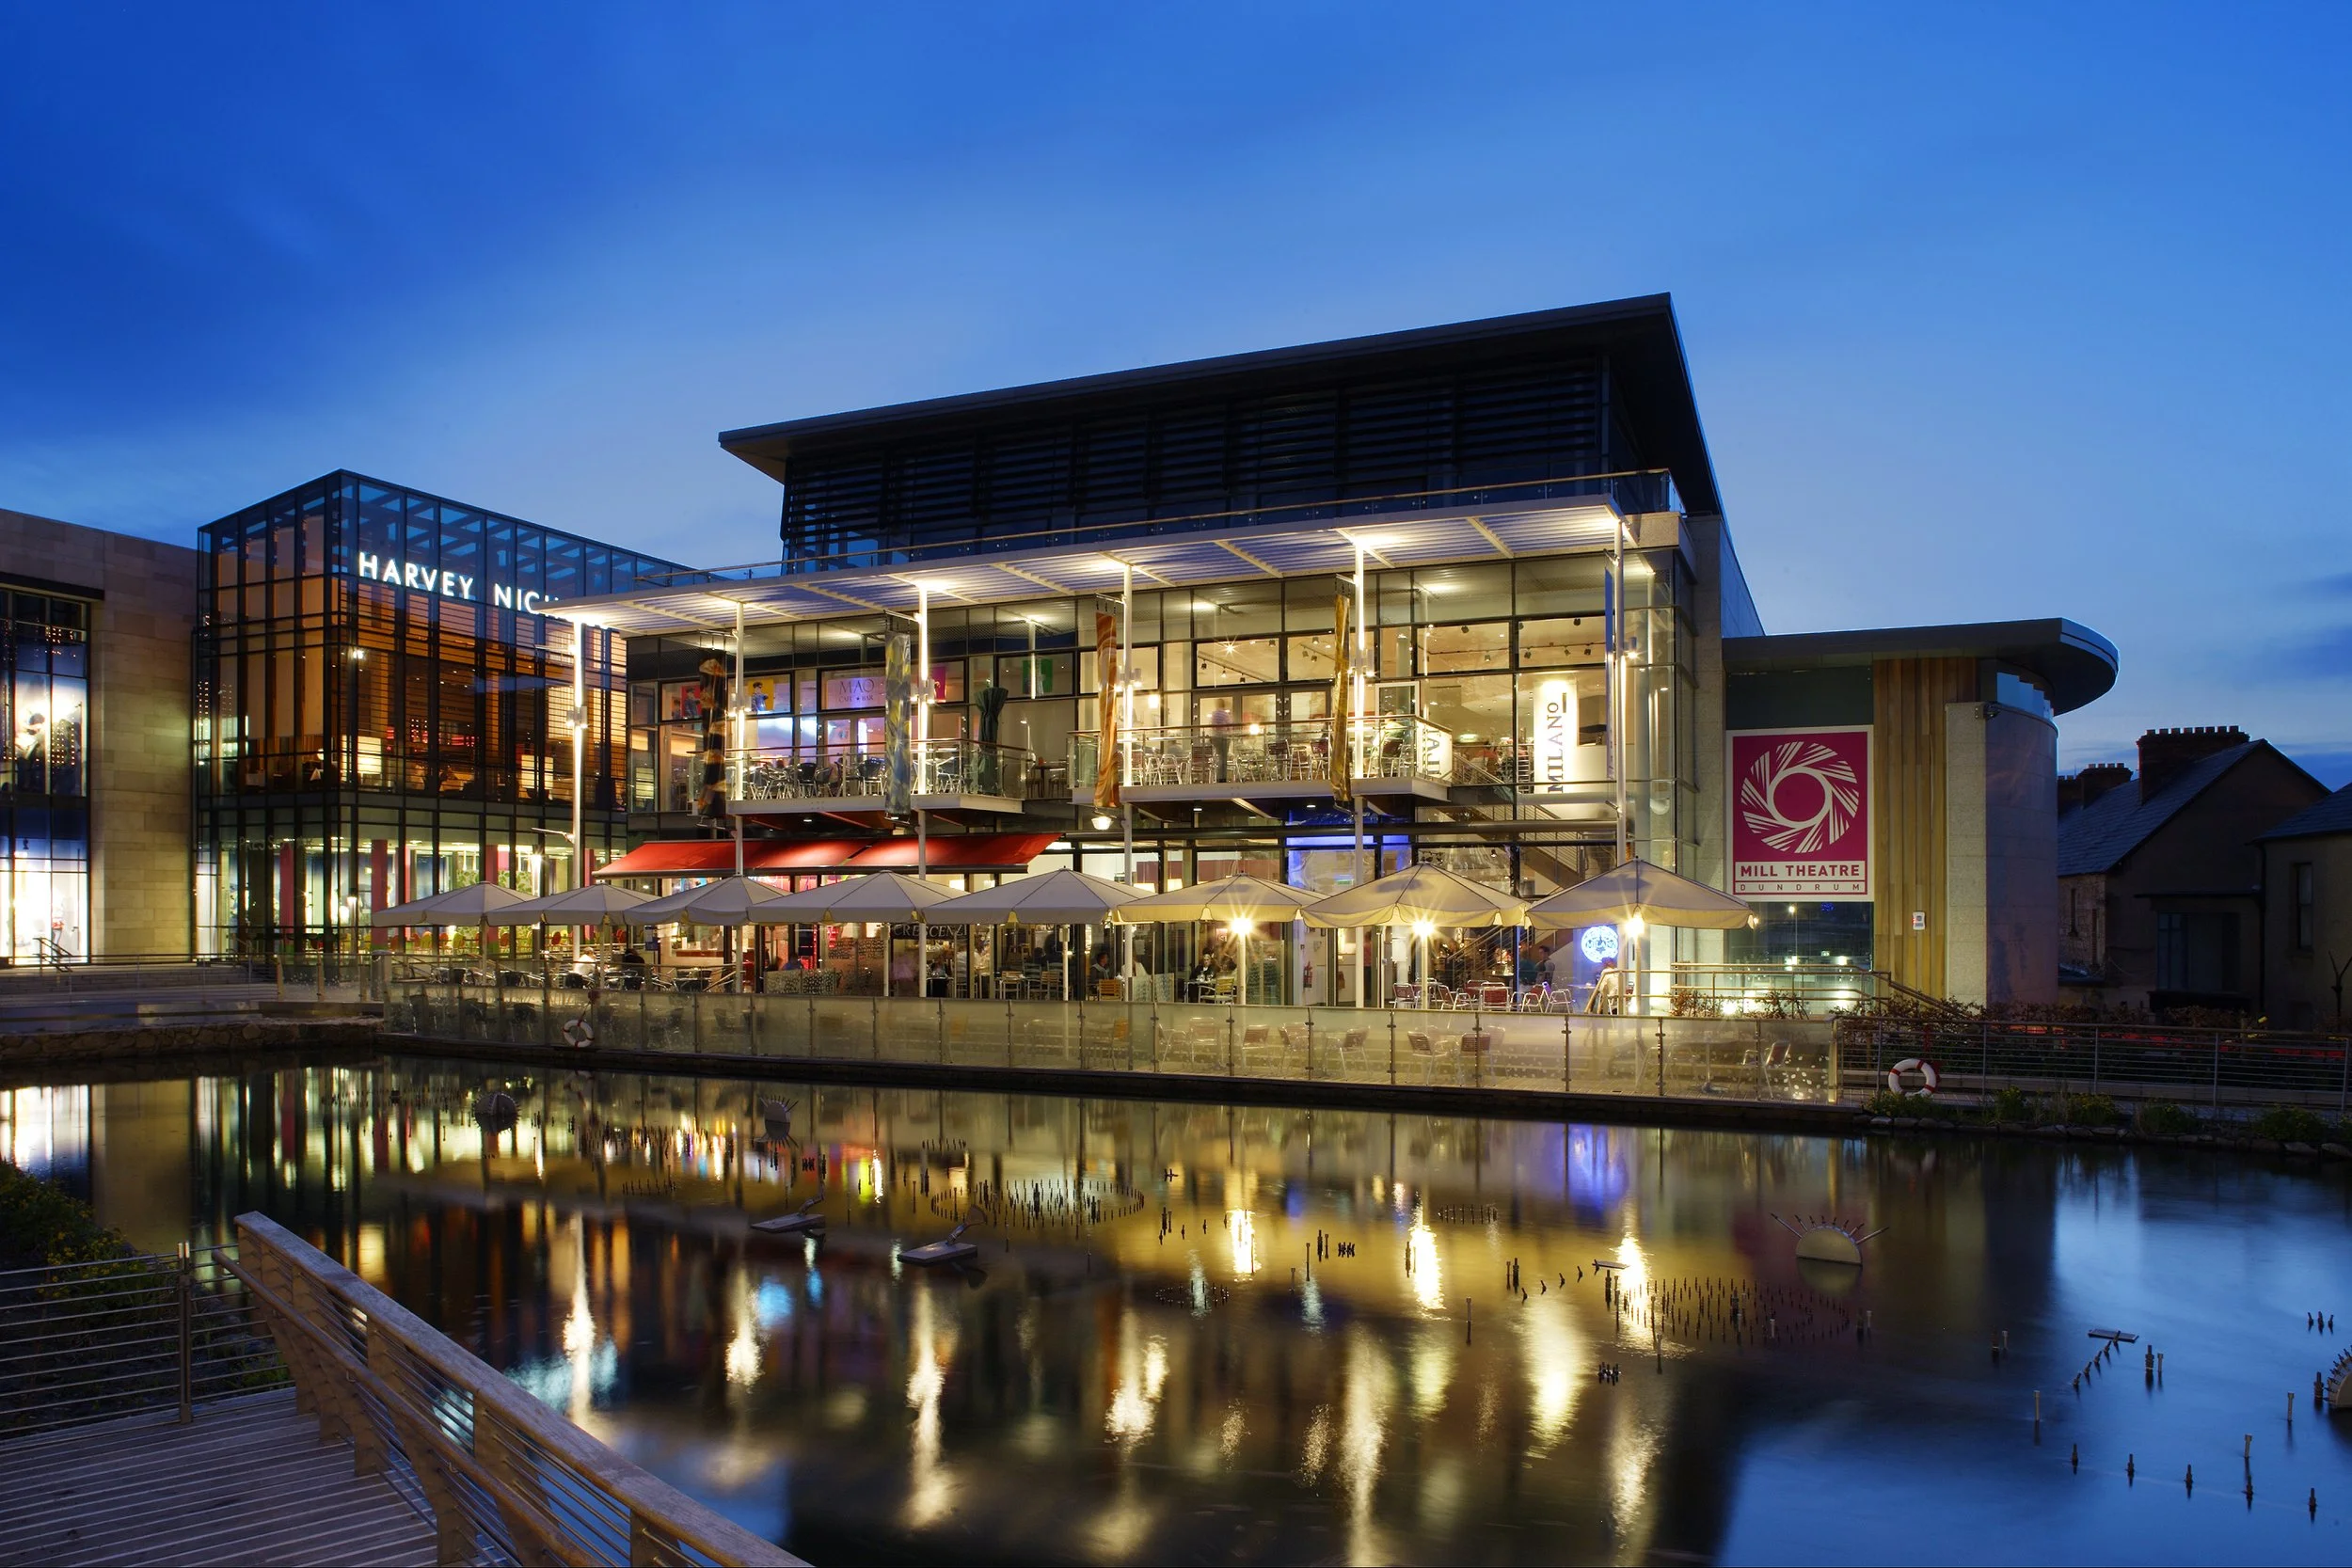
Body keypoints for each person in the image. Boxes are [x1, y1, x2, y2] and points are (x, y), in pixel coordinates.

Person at [1208, 700, 1235, 781]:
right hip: (1223, 737)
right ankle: (1222, 778)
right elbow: (1229, 726)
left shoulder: (1214, 714)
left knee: (1219, 757)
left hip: (1216, 737)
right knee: (1223, 758)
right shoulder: (1225, 714)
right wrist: (1230, 733)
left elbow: (1212, 725)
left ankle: (1218, 777)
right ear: (1224, 705)